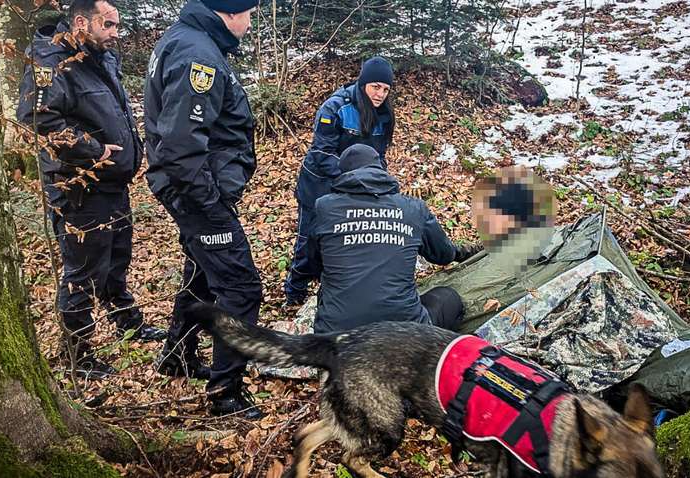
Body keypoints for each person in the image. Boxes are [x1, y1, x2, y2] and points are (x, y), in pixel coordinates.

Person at [16, 0, 166, 380]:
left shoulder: (99, 56)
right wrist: (94, 150)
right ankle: (78, 354)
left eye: (117, 24)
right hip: (79, 186)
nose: (116, 32)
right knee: (82, 270)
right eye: (109, 24)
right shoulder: (50, 62)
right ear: (81, 21)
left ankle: (127, 322)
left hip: (113, 183)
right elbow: (37, 119)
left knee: (117, 257)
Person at [143, 0, 262, 418]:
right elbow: (180, 146)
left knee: (202, 271)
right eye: (250, 12)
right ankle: (225, 392)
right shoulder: (199, 55)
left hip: (194, 190)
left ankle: (176, 354)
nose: (251, 21)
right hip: (197, 195)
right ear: (229, 13)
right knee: (240, 287)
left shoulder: (191, 41)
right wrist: (210, 202)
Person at [304, 144, 482, 333]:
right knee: (449, 298)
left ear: (343, 174)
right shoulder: (413, 209)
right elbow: (443, 255)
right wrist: (463, 252)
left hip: (335, 336)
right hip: (403, 334)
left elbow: (312, 263)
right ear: (380, 168)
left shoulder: (324, 208)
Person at [283, 56, 397, 306]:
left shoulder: (384, 115)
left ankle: (334, 289)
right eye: (375, 87)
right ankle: (295, 291)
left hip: (356, 186)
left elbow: (379, 156)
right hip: (319, 184)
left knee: (345, 240)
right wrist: (354, 178)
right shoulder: (335, 107)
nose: (380, 94)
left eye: (385, 89)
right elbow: (322, 154)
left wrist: (382, 182)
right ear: (363, 83)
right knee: (309, 240)